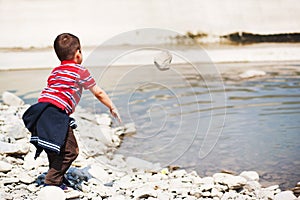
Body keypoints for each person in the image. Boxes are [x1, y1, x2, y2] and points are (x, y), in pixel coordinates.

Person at [22, 33, 121, 189]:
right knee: (71, 151)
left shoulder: (55, 71)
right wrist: (112, 107)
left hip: (40, 111)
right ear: (78, 53)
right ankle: (52, 181)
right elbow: (98, 92)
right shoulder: (80, 71)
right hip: (55, 113)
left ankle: (57, 176)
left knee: (54, 147)